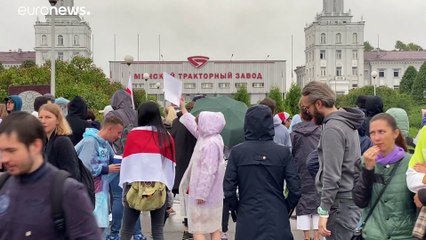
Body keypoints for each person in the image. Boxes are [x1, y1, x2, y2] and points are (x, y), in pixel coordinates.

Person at [0, 112, 101, 239]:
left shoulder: (67, 191)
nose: (4, 159)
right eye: (1, 151)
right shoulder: (3, 185)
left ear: (35, 146)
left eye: (12, 150)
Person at [223, 104, 301, 240]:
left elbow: (229, 188)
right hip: (276, 215)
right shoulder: (283, 152)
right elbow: (295, 188)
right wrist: (285, 207)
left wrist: (237, 208)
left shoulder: (237, 152)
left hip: (247, 214)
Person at [301, 81, 362, 239]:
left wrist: (324, 211)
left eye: (307, 108)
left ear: (319, 104)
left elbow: (332, 175)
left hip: (339, 205)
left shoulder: (333, 129)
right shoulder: (347, 122)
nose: (307, 114)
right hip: (349, 200)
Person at [352, 113, 416, 239]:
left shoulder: (411, 163)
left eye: (381, 132)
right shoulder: (362, 162)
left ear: (395, 133)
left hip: (405, 235)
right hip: (373, 235)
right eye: (372, 133)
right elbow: (360, 201)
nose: (376, 138)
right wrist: (368, 170)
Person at [119, 102, 176, 240]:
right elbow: (171, 164)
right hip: (159, 186)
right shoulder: (166, 135)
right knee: (157, 230)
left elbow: (127, 162)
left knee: (126, 229)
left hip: (135, 186)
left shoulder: (133, 134)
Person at [179, 97, 226, 240]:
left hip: (205, 195)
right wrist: (183, 109)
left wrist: (201, 194)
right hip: (212, 195)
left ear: (206, 125)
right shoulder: (211, 137)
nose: (197, 127)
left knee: (198, 228)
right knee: (214, 227)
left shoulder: (209, 143)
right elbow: (192, 126)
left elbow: (208, 171)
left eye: (199, 124)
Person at [104, 90, 144, 240]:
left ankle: (115, 233)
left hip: (117, 158)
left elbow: (106, 136)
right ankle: (138, 232)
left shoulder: (111, 116)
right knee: (134, 196)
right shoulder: (136, 114)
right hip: (134, 159)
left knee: (117, 197)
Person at [75, 115, 123, 235]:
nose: (119, 136)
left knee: (99, 229)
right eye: (118, 132)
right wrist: (106, 169)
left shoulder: (104, 143)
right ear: (109, 129)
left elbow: (114, 158)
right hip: (90, 194)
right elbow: (85, 167)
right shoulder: (90, 142)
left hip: (99, 193)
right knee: (95, 231)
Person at [291, 102, 321, 240]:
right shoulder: (321, 131)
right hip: (317, 171)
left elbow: (291, 152)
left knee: (302, 205)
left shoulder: (294, 134)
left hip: (300, 172)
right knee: (317, 203)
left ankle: (306, 237)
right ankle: (317, 236)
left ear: (301, 117)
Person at [170, 101, 197, 240]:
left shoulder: (177, 122)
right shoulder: (196, 126)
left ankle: (187, 227)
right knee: (191, 198)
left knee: (184, 197)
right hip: (192, 164)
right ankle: (190, 229)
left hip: (180, 162)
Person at [38, 103, 79, 179]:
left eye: (48, 117)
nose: (43, 121)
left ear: (57, 120)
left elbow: (71, 173)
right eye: (40, 117)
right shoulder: (46, 142)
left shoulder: (62, 141)